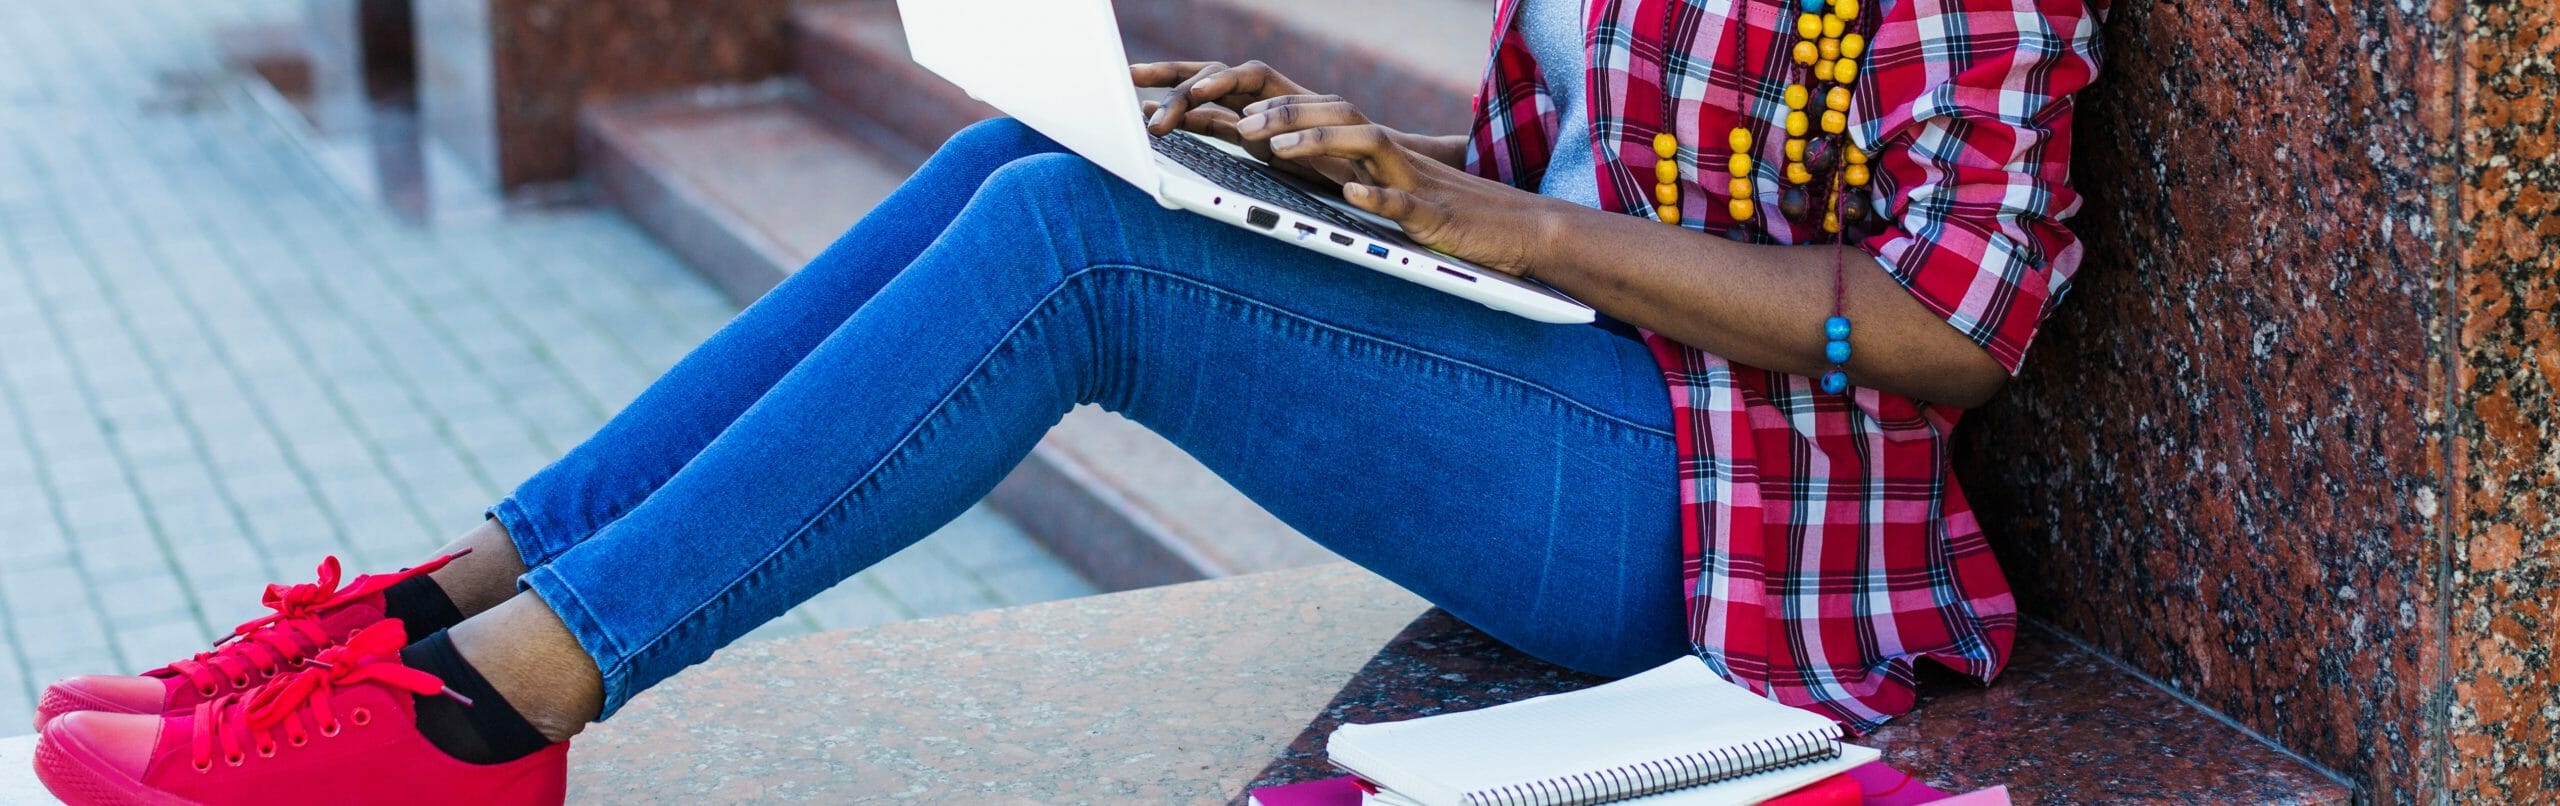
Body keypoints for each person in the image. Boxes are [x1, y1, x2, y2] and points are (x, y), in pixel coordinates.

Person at [27, 0, 2104, 800]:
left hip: (1719, 516)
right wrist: (1316, 164)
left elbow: (1953, 320)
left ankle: (490, 720)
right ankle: (439, 609)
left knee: (1074, 254)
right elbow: (1563, 169)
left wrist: (1493, 221)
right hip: (1562, 380)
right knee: (1030, 165)